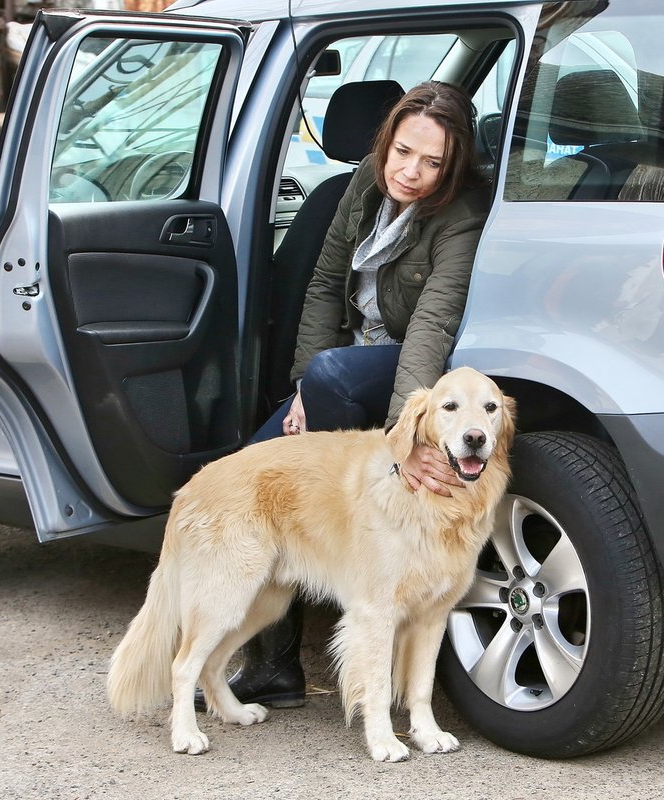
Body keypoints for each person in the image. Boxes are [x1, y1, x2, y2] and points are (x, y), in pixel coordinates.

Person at [204, 81, 491, 711]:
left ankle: (358, 598)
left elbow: (431, 329)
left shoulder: (460, 215)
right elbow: (325, 287)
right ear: (385, 141)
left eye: (432, 162)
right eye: (402, 152)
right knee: (251, 476)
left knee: (335, 381)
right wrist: (304, 388)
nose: (411, 172)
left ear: (453, 166)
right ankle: (273, 665)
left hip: (407, 369)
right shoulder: (365, 184)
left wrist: (403, 440)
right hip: (343, 360)